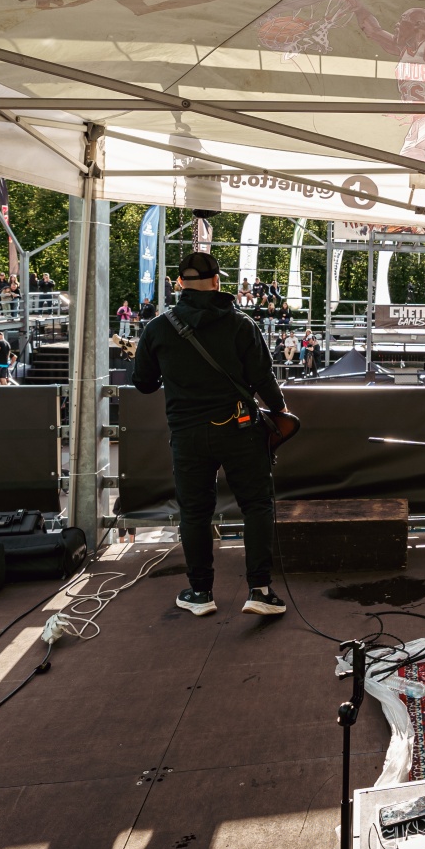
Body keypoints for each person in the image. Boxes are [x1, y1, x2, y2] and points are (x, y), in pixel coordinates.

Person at [131, 249, 287, 618]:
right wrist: (280, 413)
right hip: (240, 429)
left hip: (188, 435)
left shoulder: (158, 328)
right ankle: (260, 590)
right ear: (217, 282)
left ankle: (200, 593)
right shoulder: (241, 325)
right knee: (257, 506)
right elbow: (263, 379)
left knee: (195, 513)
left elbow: (144, 383)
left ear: (179, 284)